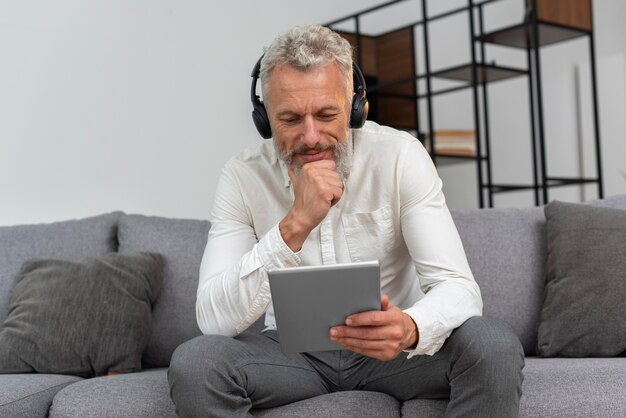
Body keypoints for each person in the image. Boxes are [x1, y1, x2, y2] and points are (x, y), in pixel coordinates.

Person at [168, 24, 524, 417]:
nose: (311, 137)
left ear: (356, 108)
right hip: (290, 357)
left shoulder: (400, 156)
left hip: (394, 354)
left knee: (493, 343)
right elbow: (214, 321)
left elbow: (459, 288)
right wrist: (295, 225)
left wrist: (410, 327)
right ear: (264, 119)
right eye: (289, 119)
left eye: (326, 114)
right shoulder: (241, 176)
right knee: (197, 362)